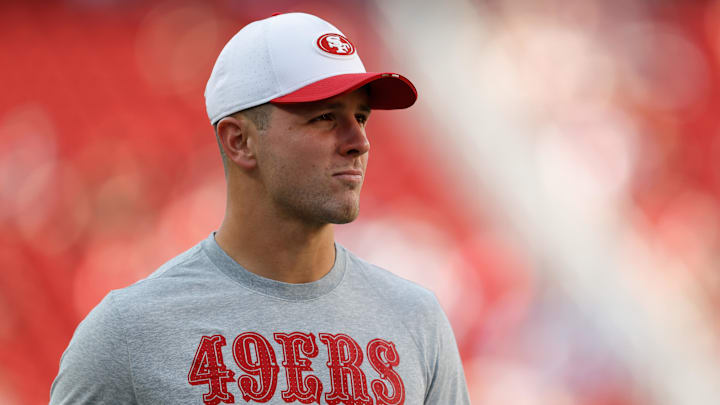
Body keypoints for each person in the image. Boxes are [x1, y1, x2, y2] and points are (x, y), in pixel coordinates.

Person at [50, 12, 470, 405]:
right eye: (325, 116)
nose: (358, 141)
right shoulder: (128, 334)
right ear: (239, 141)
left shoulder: (417, 319)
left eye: (361, 116)